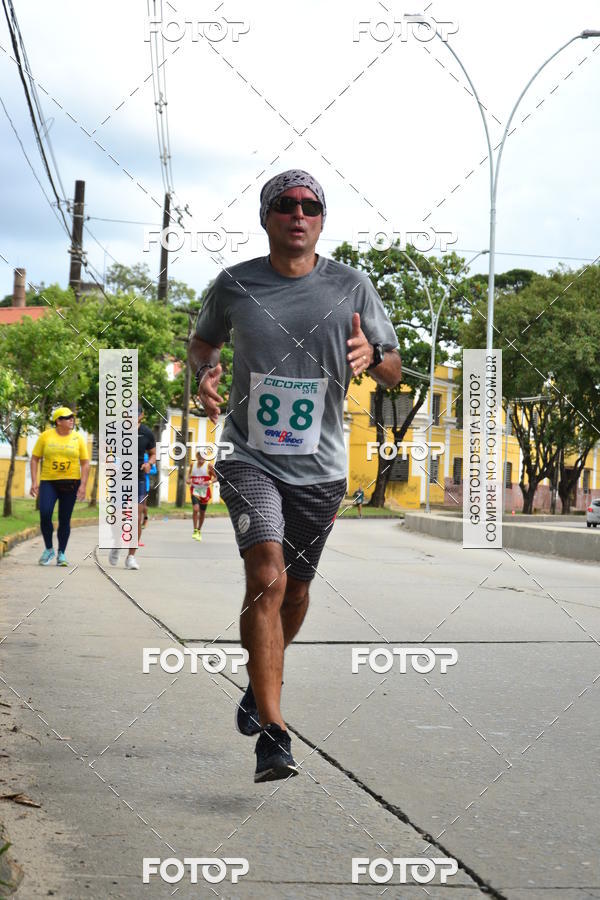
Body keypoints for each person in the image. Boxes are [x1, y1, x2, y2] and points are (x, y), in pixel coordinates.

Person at [189, 169, 402, 782]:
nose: (299, 214)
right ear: (267, 217)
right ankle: (274, 734)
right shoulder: (234, 285)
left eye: (311, 205)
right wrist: (203, 374)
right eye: (285, 204)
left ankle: (259, 684)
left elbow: (393, 368)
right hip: (248, 455)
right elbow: (202, 344)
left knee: (298, 590)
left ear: (322, 220)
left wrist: (371, 357)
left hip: (321, 468)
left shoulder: (351, 286)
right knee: (267, 575)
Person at [30, 407, 90, 567]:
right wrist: (34, 482)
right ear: (58, 421)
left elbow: (85, 463)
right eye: (67, 417)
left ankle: (61, 553)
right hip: (49, 481)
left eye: (72, 417)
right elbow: (34, 458)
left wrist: (83, 485)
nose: (71, 420)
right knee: (45, 513)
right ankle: (49, 549)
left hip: (71, 483)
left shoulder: (78, 438)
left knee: (65, 519)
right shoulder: (45, 436)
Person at [109, 404, 156, 570]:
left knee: (136, 517)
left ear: (141, 415)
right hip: (119, 478)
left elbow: (153, 454)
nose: (132, 415)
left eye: (136, 412)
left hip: (138, 478)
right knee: (118, 517)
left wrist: (149, 464)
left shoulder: (147, 432)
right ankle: (116, 543)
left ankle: (131, 557)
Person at [186, 449, 216, 541]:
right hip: (195, 490)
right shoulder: (193, 465)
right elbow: (188, 477)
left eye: (203, 456)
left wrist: (209, 482)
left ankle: (199, 530)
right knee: (196, 509)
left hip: (204, 491)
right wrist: (188, 480)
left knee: (202, 512)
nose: (201, 458)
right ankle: (195, 530)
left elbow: (217, 477)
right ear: (197, 456)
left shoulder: (209, 466)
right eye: (199, 456)